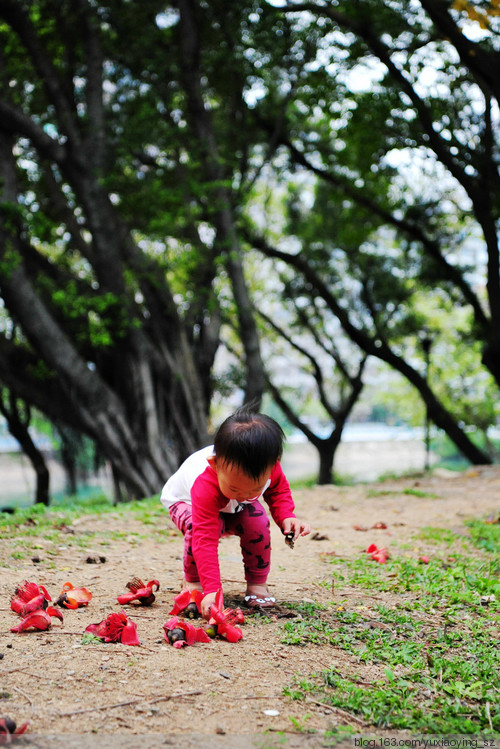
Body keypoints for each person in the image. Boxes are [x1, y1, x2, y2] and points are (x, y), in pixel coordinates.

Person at [160, 405, 311, 618]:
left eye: (255, 489)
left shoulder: (269, 469)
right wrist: (212, 588)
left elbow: (277, 491)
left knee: (257, 521)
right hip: (187, 503)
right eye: (235, 488)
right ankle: (194, 582)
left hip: (227, 506)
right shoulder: (204, 483)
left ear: (272, 466)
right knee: (199, 527)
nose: (244, 495)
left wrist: (287, 516)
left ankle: (257, 584)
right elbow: (205, 538)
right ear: (215, 465)